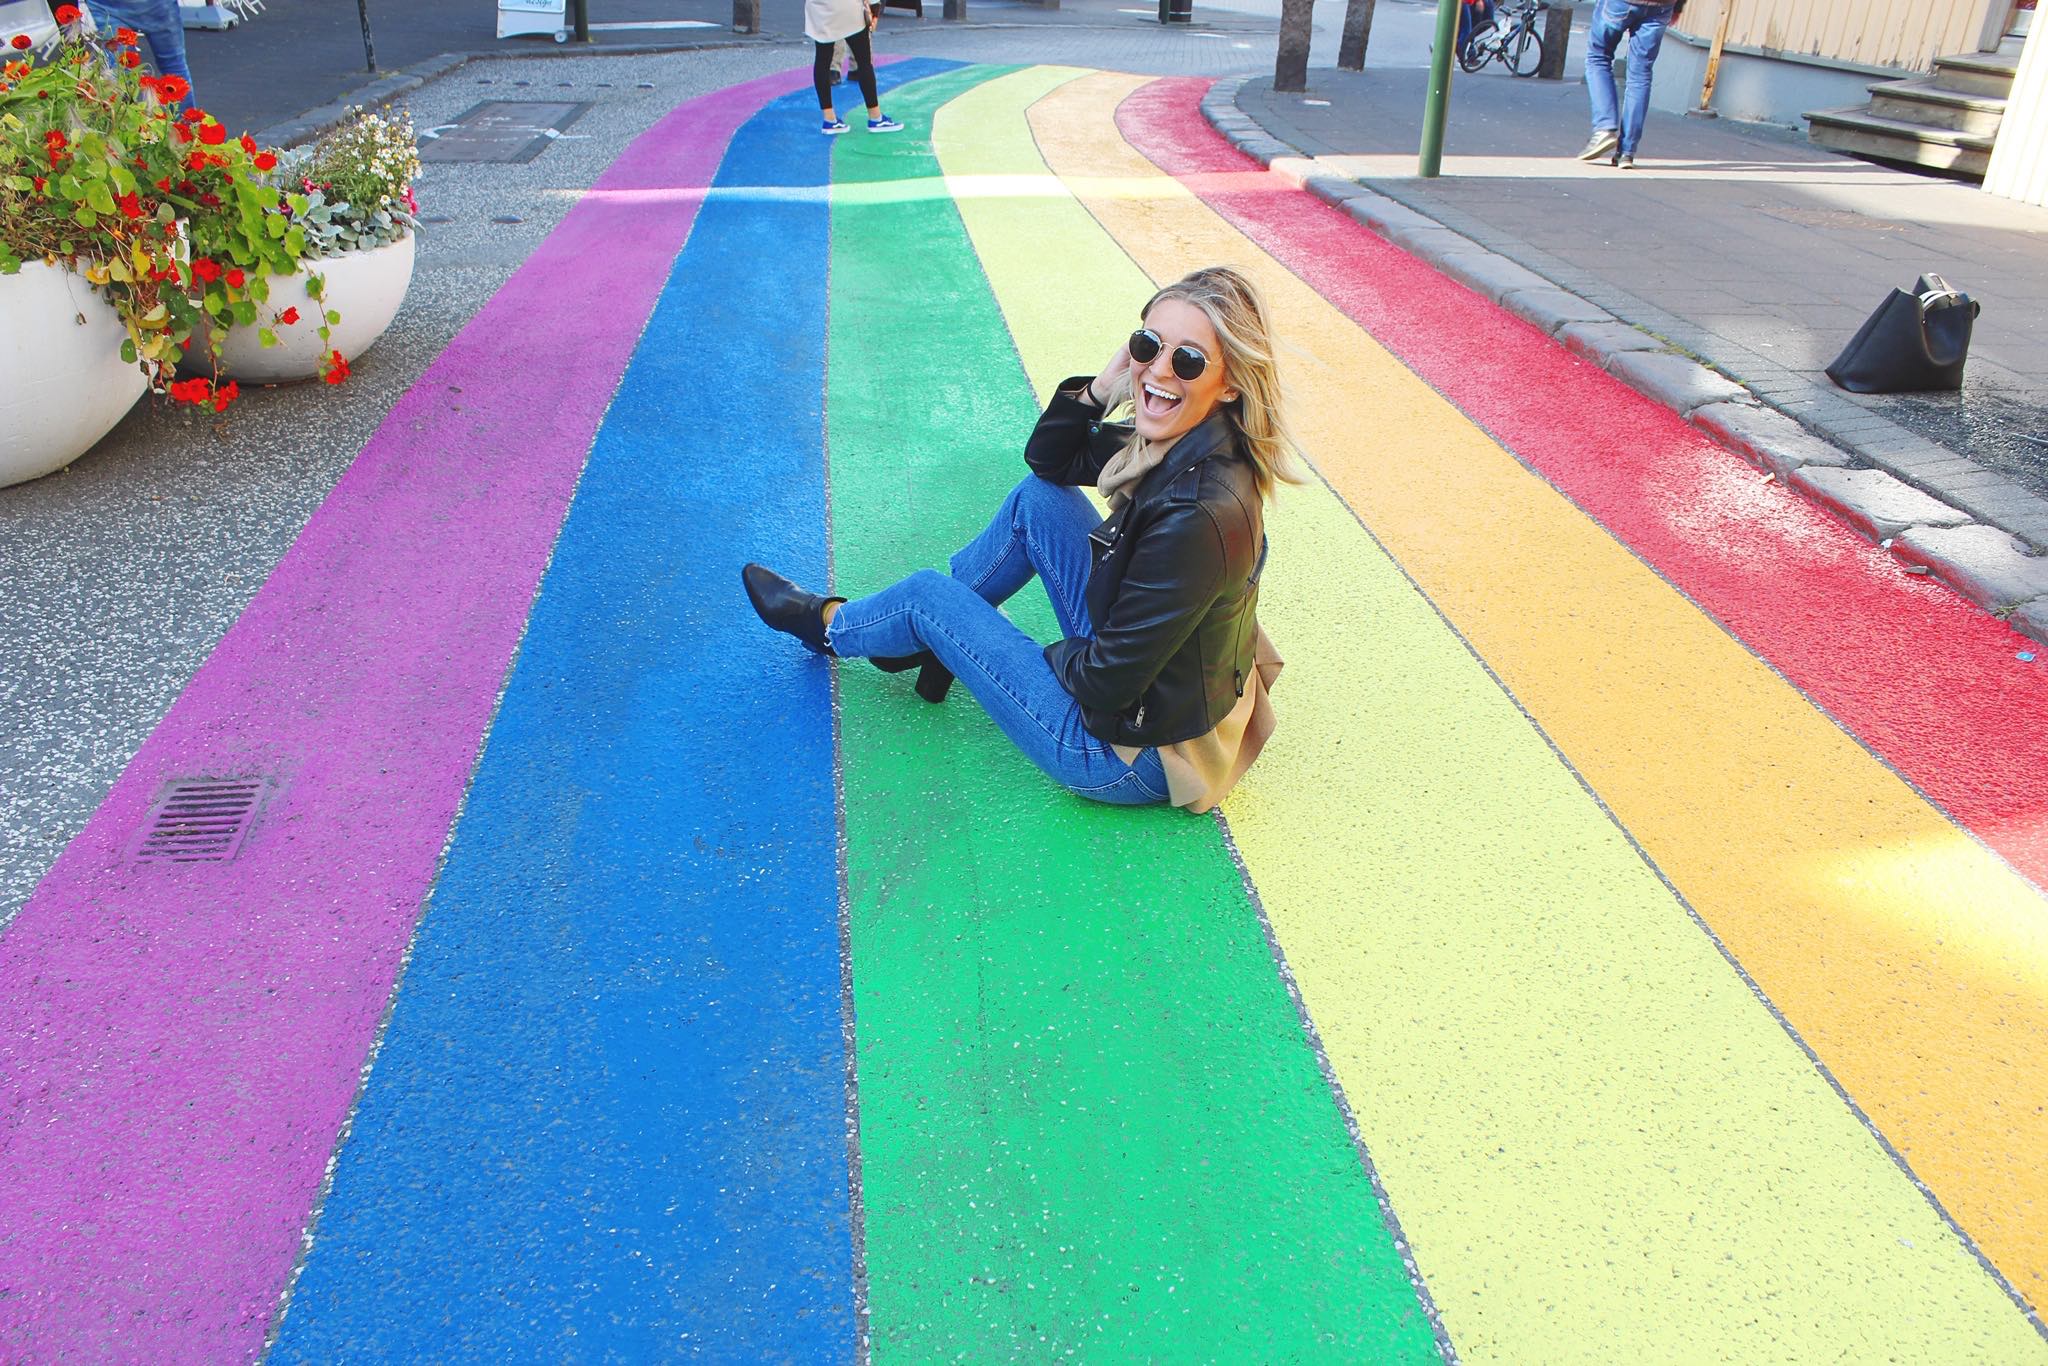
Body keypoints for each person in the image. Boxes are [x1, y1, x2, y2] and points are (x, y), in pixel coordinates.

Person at [744, 266, 1296, 813]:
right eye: (1147, 344)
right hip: (1158, 686)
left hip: (1132, 752)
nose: (1159, 370)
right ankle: (926, 643)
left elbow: (1104, 686)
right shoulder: (1186, 442)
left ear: (1229, 383)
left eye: (1189, 359)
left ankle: (829, 627)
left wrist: (991, 645)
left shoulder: (1198, 512)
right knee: (1038, 501)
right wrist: (1104, 387)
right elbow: (1050, 462)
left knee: (929, 599)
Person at [1578, 0, 1680, 168]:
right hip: (1662, 5)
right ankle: (1627, 151)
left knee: (1598, 57)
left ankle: (1604, 127)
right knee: (1641, 74)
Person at [80, 0, 195, 113]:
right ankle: (186, 127)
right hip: (156, 5)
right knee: (174, 67)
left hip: (106, 5)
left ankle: (119, 125)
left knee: (117, 72)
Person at [805, 0, 900, 135]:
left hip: (821, 10)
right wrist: (874, 7)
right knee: (864, 62)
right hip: (849, 9)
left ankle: (829, 118)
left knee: (822, 61)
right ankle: (875, 116)